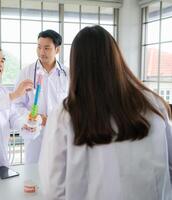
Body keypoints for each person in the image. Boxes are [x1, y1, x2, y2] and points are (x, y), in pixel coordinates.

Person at [39, 25, 172, 200]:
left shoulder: (66, 114)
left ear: (76, 64)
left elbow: (53, 188)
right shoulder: (152, 103)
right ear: (116, 58)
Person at [15, 29, 69, 164]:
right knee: (33, 175)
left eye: (46, 48)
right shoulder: (26, 72)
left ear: (57, 50)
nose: (41, 52)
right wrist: (36, 118)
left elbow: (73, 105)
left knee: (58, 173)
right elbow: (16, 104)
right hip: (35, 135)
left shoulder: (68, 74)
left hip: (60, 133)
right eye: (39, 47)